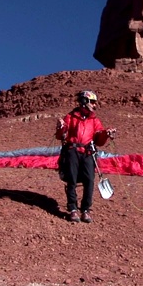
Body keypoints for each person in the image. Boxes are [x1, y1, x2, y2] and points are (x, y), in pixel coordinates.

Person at [55, 90, 116, 223]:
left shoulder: (95, 121)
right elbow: (60, 135)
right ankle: (72, 209)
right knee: (71, 179)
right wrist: (60, 127)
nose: (95, 105)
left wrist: (106, 133)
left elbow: (99, 140)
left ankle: (86, 210)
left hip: (88, 153)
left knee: (89, 180)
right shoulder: (70, 117)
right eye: (92, 102)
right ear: (84, 101)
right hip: (72, 151)